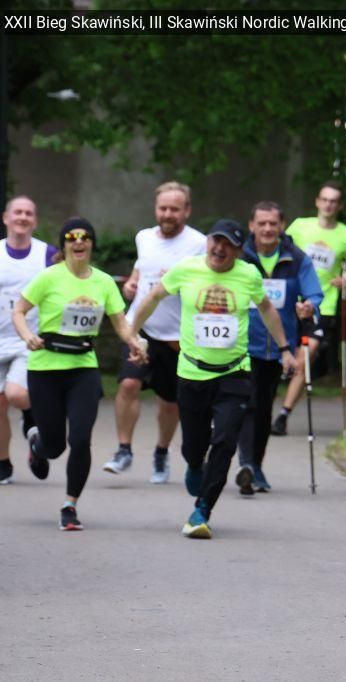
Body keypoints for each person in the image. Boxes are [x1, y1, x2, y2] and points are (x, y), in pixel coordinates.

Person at [130, 219, 296, 539]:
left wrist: (285, 349)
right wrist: (132, 334)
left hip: (234, 373)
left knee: (224, 442)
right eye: (215, 241)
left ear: (238, 251)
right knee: (194, 448)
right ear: (207, 242)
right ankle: (195, 465)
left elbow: (266, 308)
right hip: (192, 372)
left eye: (228, 245)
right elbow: (152, 297)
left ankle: (202, 510)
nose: (220, 248)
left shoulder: (248, 274)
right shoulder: (186, 269)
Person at [12, 218, 147, 530]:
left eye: (85, 237)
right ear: (64, 245)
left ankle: (70, 505)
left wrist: (134, 343)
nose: (79, 242)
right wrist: (27, 336)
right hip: (45, 369)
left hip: (83, 368)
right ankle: (37, 445)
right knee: (55, 446)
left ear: (91, 244)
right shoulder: (48, 277)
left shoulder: (103, 282)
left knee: (81, 438)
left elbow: (120, 322)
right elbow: (18, 311)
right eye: (71, 237)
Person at [103, 181, 206, 483]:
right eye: (163, 208)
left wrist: (179, 282)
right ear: (155, 209)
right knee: (128, 385)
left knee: (170, 402)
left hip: (176, 336)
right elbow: (141, 268)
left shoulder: (199, 243)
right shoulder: (144, 237)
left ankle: (161, 452)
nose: (168, 214)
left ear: (187, 210)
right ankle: (124, 450)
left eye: (175, 209)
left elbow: (206, 282)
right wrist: (131, 284)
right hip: (140, 328)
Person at [236, 201, 322, 495]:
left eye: (273, 223)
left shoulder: (296, 258)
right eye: (261, 223)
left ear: (281, 226)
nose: (267, 229)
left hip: (278, 347)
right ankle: (246, 464)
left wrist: (309, 306)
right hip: (242, 344)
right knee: (247, 403)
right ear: (252, 225)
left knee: (262, 408)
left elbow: (314, 294)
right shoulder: (240, 255)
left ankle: (254, 466)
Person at [271, 181, 346, 435]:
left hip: (324, 305)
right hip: (290, 301)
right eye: (325, 199)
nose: (328, 205)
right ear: (317, 201)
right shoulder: (300, 226)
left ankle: (283, 415)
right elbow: (280, 249)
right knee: (279, 356)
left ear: (340, 206)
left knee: (305, 359)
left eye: (333, 201)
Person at [0, 196, 58, 485]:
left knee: (16, 394)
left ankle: (30, 421)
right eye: (18, 212)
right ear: (6, 218)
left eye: (29, 213)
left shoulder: (47, 255)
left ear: (35, 220)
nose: (23, 217)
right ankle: (4, 464)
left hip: (29, 339)